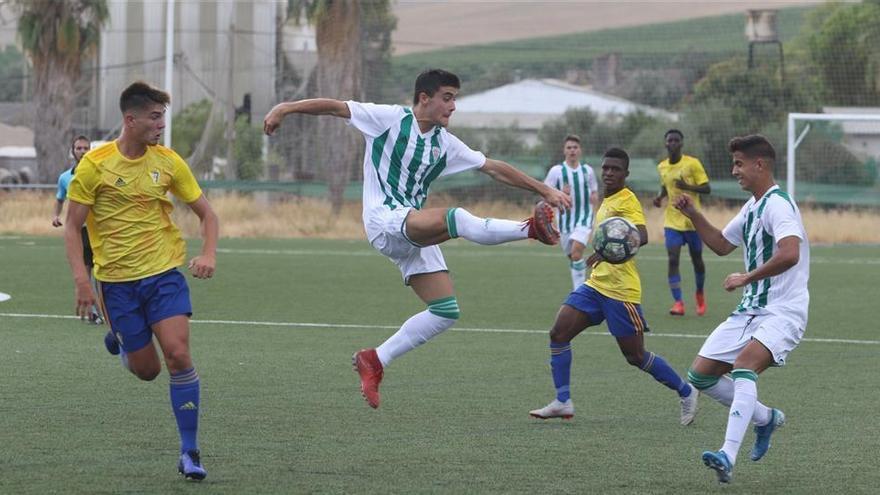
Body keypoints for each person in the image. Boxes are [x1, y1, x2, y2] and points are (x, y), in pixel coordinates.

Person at [263, 68, 571, 409]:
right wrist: (284, 108)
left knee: (444, 311)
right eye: (447, 98)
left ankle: (375, 359)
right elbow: (336, 107)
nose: (453, 106)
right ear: (425, 98)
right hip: (384, 221)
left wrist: (544, 189)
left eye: (455, 99)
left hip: (410, 228)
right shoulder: (388, 119)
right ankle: (529, 229)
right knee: (454, 217)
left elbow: (494, 168)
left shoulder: (445, 144)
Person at [64, 81, 219, 481]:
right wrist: (83, 282)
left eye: (162, 117)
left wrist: (207, 253)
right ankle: (121, 345)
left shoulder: (168, 162)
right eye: (154, 117)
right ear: (130, 120)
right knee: (147, 370)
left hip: (164, 274)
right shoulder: (94, 165)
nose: (161, 125)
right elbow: (73, 226)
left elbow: (208, 214)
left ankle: (190, 452)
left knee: (179, 356)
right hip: (116, 283)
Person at [674, 135, 809, 484]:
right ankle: (764, 418)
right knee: (700, 375)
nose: (734, 170)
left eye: (739, 163)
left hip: (783, 312)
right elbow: (720, 244)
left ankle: (727, 455)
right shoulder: (752, 206)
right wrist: (693, 214)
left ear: (759, 165)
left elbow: (790, 252)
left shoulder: (779, 205)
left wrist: (747, 276)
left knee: (744, 365)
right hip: (750, 311)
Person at [529, 148, 698, 425]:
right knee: (558, 333)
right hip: (596, 285)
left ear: (625, 174)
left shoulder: (626, 200)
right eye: (605, 168)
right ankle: (562, 401)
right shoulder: (606, 200)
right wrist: (604, 252)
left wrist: (607, 251)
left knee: (635, 355)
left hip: (621, 291)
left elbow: (641, 236)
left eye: (615, 169)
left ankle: (686, 390)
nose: (608, 173)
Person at [652, 129, 711, 316]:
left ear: (681, 144)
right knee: (672, 259)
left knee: (697, 260)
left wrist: (687, 187)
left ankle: (700, 293)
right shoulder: (662, 167)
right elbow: (665, 185)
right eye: (670, 140)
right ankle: (678, 302)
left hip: (693, 220)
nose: (673, 143)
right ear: (665, 144)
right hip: (672, 221)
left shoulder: (692, 164)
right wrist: (660, 197)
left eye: (676, 140)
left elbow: (707, 188)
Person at [53, 135, 103, 323]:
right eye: (79, 148)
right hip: (81, 231)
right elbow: (59, 199)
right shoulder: (65, 178)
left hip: (99, 230)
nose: (83, 151)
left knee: (104, 271)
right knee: (85, 271)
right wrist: (55, 216)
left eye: (86, 148)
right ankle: (92, 312)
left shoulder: (99, 172)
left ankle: (105, 310)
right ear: (72, 151)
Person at [543, 134, 599, 290]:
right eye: (569, 148)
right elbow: (545, 194)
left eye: (575, 147)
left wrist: (594, 198)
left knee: (575, 253)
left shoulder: (587, 171)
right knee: (573, 258)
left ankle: (579, 294)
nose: (572, 151)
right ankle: (590, 273)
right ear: (564, 151)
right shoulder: (557, 171)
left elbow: (594, 192)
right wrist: (560, 192)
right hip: (565, 222)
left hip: (584, 217)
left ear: (580, 150)